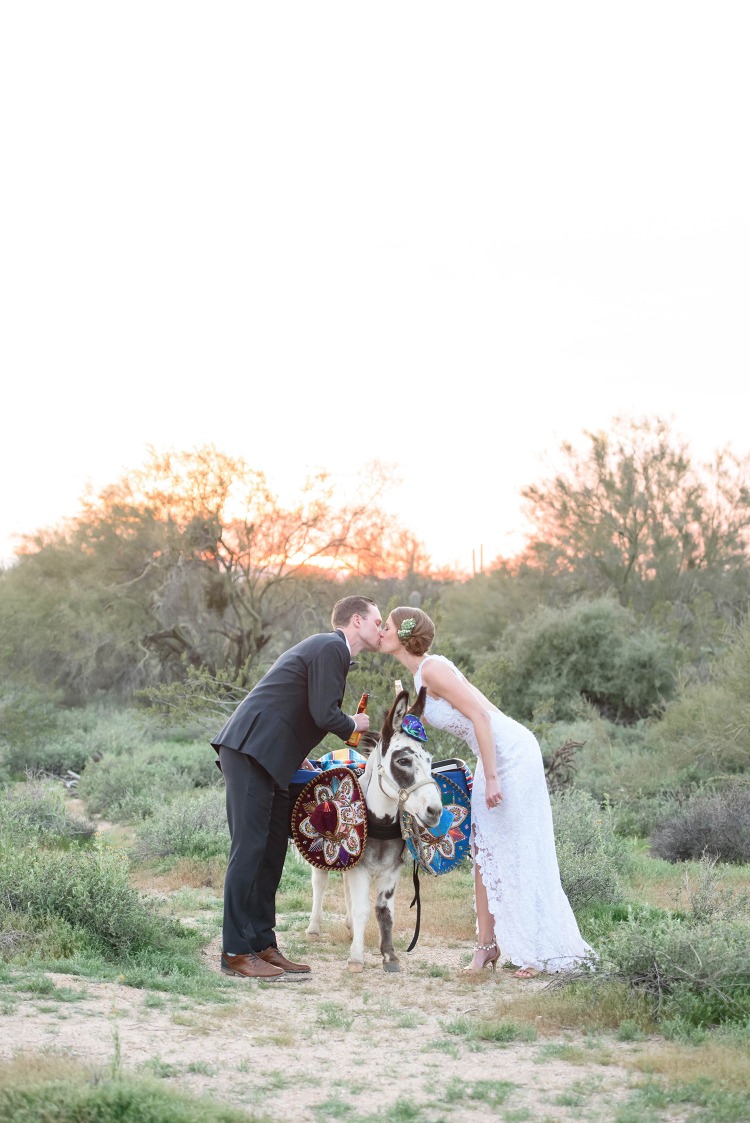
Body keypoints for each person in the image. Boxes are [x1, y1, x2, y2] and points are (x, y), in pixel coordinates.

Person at [379, 606, 596, 978]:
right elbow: (447, 720)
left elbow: (481, 716)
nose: (381, 631)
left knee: (517, 847)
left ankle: (538, 951)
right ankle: (486, 947)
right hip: (493, 754)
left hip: (508, 755)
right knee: (484, 850)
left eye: (386, 626)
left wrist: (492, 776)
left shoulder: (432, 669)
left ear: (403, 634)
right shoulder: (422, 677)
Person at [211, 595, 383, 980]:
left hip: (276, 758)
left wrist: (298, 754)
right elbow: (324, 713)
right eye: (377, 621)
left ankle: (262, 944)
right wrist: (354, 724)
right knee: (249, 849)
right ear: (357, 620)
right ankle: (235, 951)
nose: (381, 629)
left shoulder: (333, 653)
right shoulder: (329, 646)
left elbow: (299, 708)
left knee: (271, 852)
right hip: (251, 751)